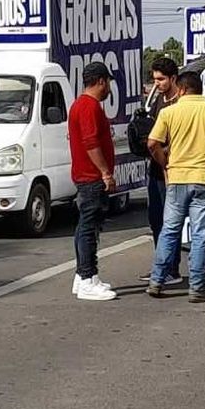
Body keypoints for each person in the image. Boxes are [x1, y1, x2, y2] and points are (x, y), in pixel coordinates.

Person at [145, 72, 205, 303]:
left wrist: (165, 163)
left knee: (169, 230)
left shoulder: (169, 112)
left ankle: (157, 281)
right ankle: (197, 288)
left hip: (177, 179)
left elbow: (152, 143)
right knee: (201, 235)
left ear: (182, 89)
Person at [68, 62, 119, 302]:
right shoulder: (89, 107)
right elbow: (90, 143)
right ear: (101, 81)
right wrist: (105, 173)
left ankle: (84, 275)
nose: (108, 87)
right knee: (89, 228)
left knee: (86, 226)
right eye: (108, 82)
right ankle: (88, 277)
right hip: (91, 177)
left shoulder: (82, 105)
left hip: (86, 175)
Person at [140, 57, 183, 284]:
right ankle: (161, 264)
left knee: (171, 221)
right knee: (155, 218)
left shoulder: (179, 102)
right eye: (154, 79)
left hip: (173, 169)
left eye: (161, 79)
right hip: (155, 168)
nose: (156, 83)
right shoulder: (157, 100)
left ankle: (171, 268)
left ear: (173, 78)